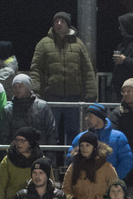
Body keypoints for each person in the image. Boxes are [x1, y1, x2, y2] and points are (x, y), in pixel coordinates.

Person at [30, 11, 93, 145]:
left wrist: (91, 95)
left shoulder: (78, 44)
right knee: (50, 131)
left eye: (62, 21)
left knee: (73, 132)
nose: (58, 24)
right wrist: (36, 91)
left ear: (68, 25)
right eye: (56, 21)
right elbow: (36, 69)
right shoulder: (43, 43)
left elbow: (87, 70)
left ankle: (72, 162)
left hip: (73, 97)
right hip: (51, 96)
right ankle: (49, 163)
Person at [0, 73, 59, 151]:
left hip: (40, 153)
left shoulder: (43, 106)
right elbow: (4, 136)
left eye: (20, 86)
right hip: (16, 155)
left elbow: (52, 132)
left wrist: (49, 156)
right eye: (15, 87)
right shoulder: (8, 110)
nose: (17, 89)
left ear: (28, 87)